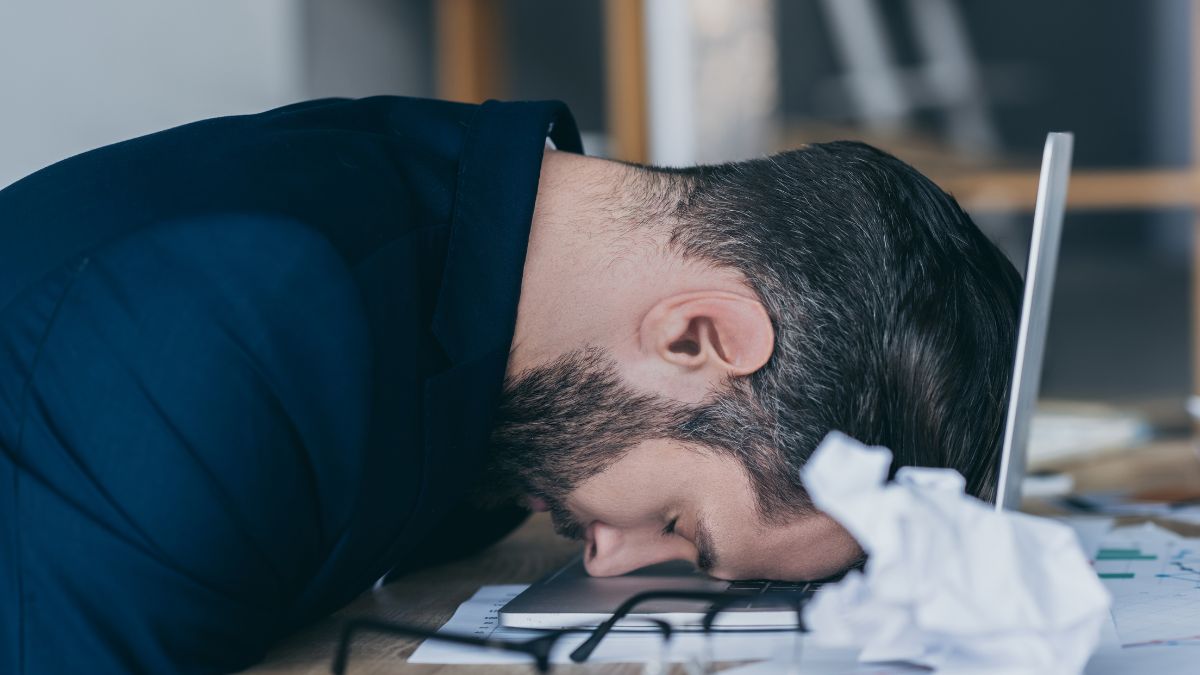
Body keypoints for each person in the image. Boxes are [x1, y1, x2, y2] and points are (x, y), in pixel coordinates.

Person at [0, 96, 1020, 673]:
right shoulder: (238, 319)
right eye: (681, 522)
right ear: (698, 334)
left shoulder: (490, 250)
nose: (620, 565)